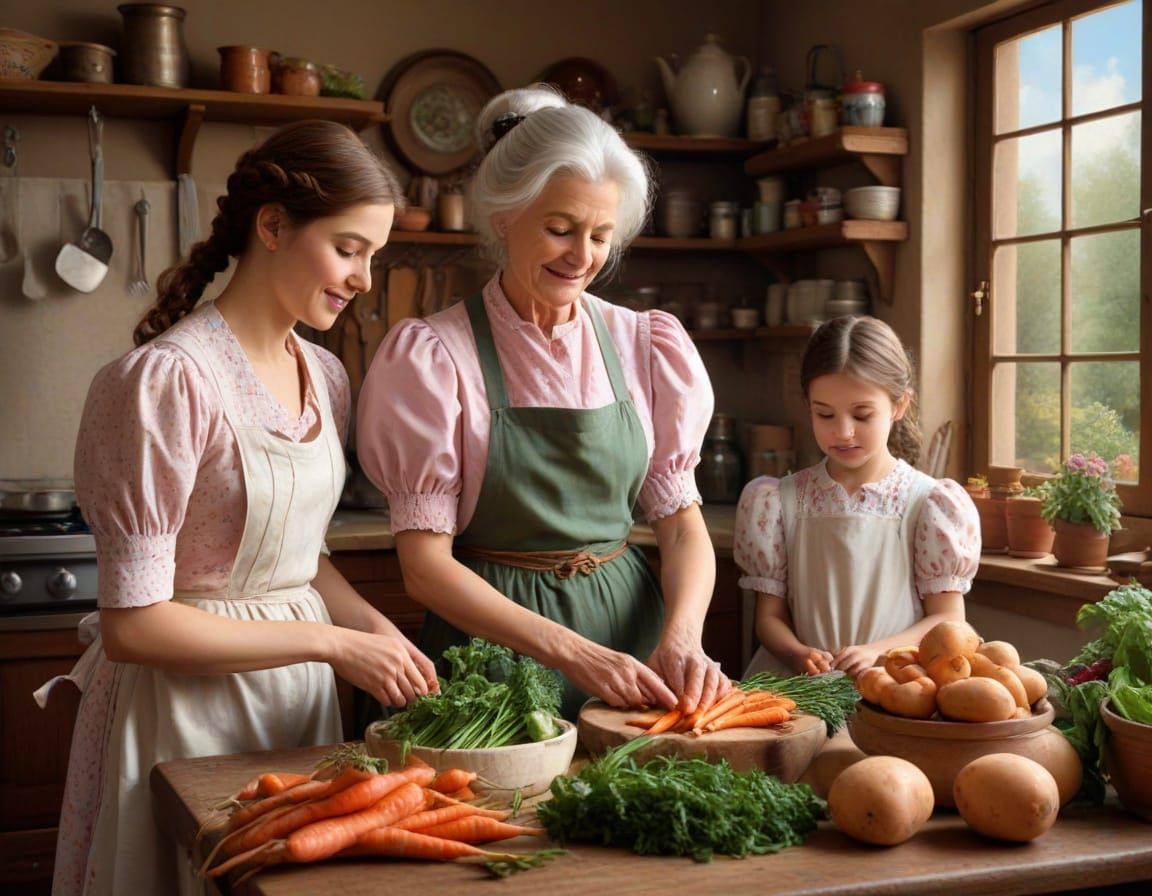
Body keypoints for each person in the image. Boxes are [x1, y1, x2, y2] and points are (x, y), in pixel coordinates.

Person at [35, 120, 438, 896]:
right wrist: (333, 646)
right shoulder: (163, 382)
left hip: (297, 709)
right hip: (184, 715)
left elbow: (297, 557)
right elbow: (133, 626)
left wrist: (373, 631)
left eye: (373, 258)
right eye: (349, 248)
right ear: (274, 226)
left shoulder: (325, 374)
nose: (362, 278)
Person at [356, 85, 730, 721]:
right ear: (505, 216)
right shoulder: (435, 357)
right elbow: (423, 569)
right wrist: (573, 654)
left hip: (635, 650)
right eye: (560, 229)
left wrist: (684, 635)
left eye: (600, 235)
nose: (582, 256)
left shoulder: (645, 344)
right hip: (495, 666)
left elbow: (682, 524)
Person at [733, 314, 980, 680]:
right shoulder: (778, 501)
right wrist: (797, 653)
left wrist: (877, 653)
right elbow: (769, 618)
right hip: (801, 688)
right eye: (825, 414)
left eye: (862, 415)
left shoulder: (927, 504)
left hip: (896, 687)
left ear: (899, 406)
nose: (843, 431)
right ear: (808, 405)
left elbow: (947, 618)